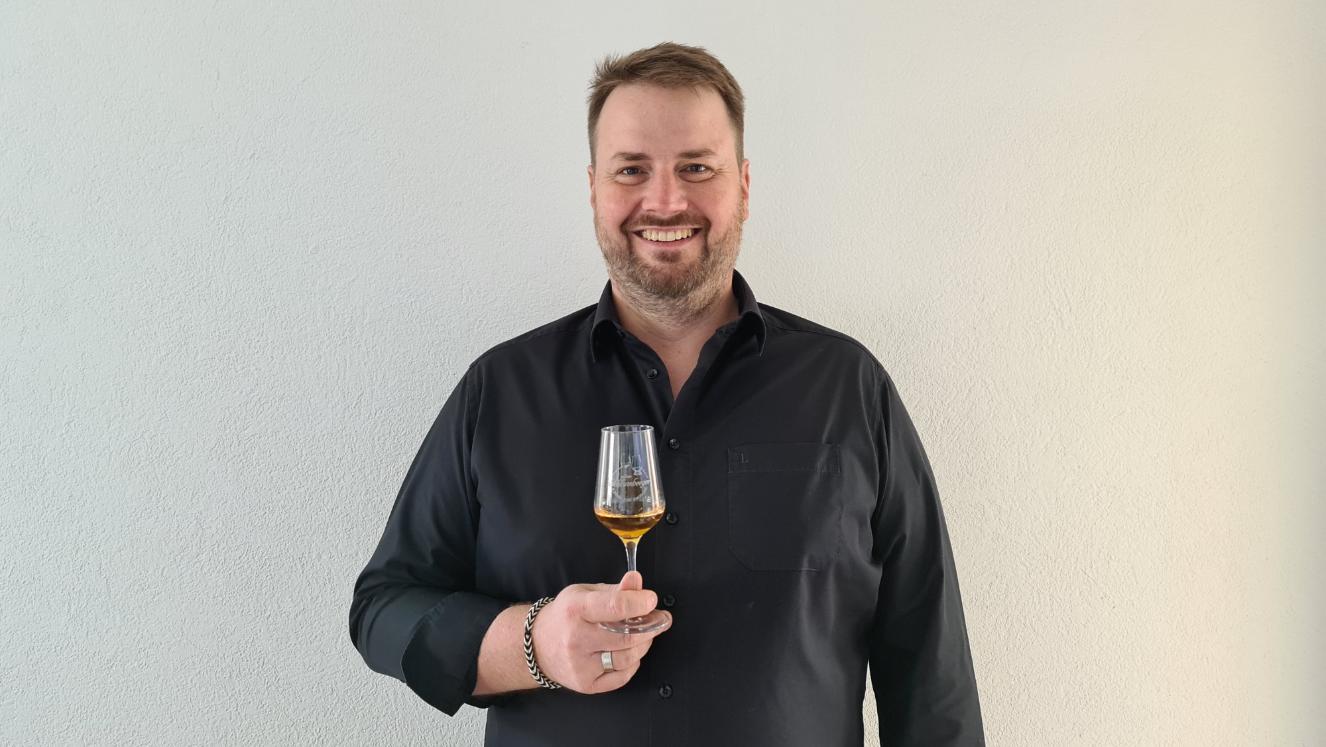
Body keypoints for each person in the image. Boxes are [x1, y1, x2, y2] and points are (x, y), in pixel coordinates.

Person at [350, 42, 984, 746]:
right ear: (594, 187)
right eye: (631, 169)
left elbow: (931, 674)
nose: (665, 200)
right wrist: (533, 644)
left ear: (744, 184)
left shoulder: (848, 387)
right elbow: (383, 608)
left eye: (697, 168)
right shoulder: (499, 390)